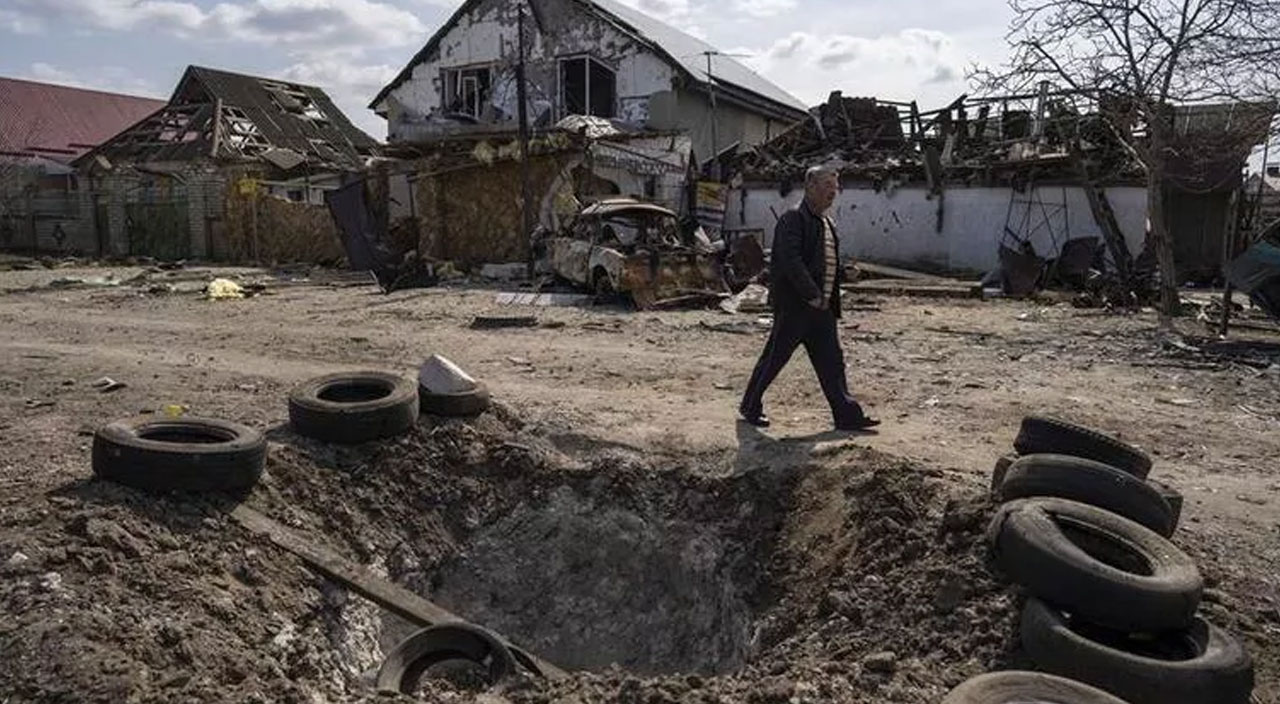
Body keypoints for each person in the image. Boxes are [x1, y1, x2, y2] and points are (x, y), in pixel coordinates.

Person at [738, 165, 879, 431]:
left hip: (822, 309)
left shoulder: (827, 223)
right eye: (827, 186)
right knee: (775, 359)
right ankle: (750, 405)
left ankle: (846, 414)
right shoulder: (793, 219)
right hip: (796, 308)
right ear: (810, 186)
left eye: (835, 187)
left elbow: (822, 263)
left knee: (832, 362)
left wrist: (843, 274)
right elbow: (791, 262)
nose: (832, 193)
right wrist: (811, 294)